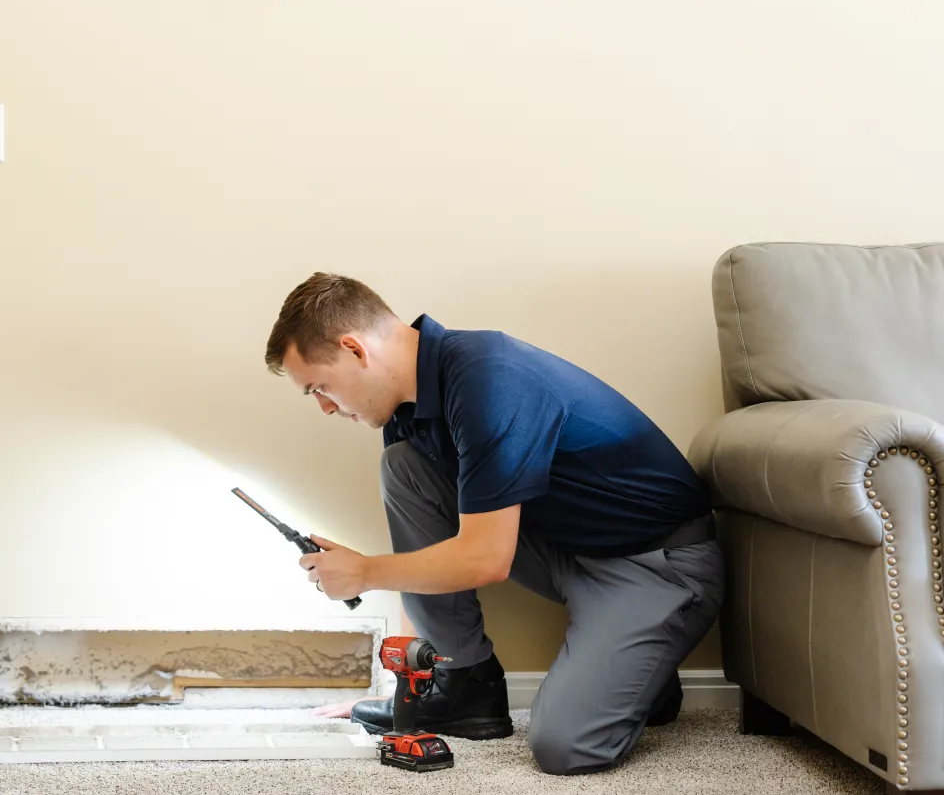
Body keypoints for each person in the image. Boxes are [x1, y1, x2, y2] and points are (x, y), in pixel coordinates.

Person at [264, 273, 722, 775]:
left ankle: (642, 673)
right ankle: (462, 687)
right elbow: (425, 552)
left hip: (656, 565)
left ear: (355, 349)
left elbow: (485, 558)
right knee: (405, 465)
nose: (326, 406)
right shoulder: (406, 409)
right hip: (564, 548)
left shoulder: (488, 378)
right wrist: (409, 688)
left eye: (319, 387)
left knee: (566, 747)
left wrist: (365, 573)